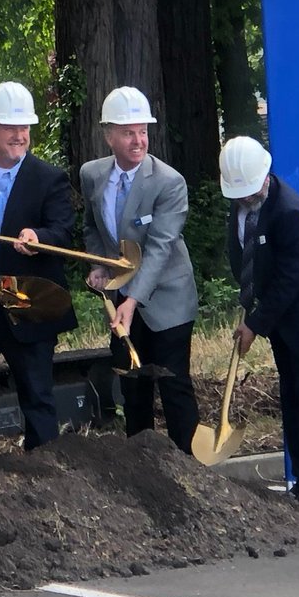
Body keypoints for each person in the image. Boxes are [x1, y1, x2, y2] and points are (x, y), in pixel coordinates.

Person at [219, 136, 299, 512]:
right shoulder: (241, 207)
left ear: (265, 175)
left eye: (251, 189)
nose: (246, 197)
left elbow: (288, 282)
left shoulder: (291, 213)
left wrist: (255, 323)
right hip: (282, 324)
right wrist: (251, 308)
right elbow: (247, 262)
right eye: (240, 194)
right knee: (291, 400)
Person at [80, 86, 199, 452]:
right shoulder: (92, 174)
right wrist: (100, 263)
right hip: (122, 300)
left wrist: (130, 300)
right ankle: (143, 470)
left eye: (143, 131)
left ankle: (191, 469)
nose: (138, 140)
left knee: (173, 384)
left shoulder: (169, 182)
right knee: (132, 383)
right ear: (109, 135)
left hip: (167, 298)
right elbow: (91, 227)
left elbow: (161, 248)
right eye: (129, 132)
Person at [0, 81, 77, 447]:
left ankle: (45, 472)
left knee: (37, 395)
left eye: (24, 128)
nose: (19, 135)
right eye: (11, 128)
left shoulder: (49, 178)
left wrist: (40, 239)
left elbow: (64, 232)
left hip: (28, 304)